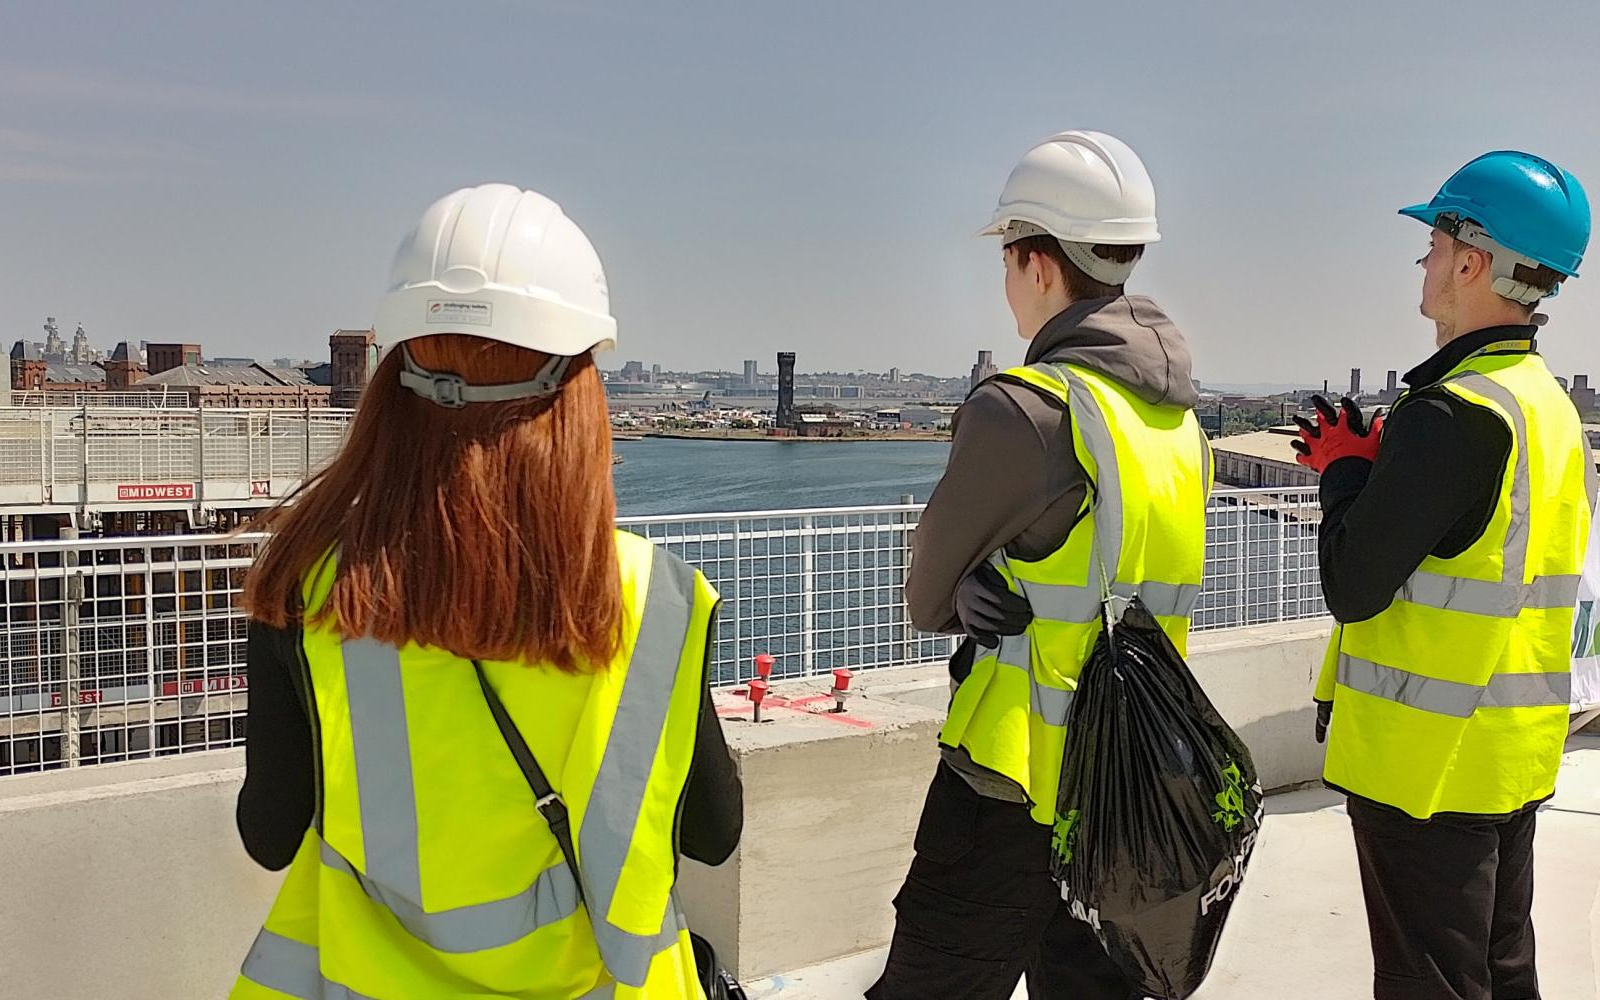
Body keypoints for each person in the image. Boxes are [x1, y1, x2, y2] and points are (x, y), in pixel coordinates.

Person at [228, 184, 742, 1000]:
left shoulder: (309, 587)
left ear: (395, 376)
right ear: (575, 391)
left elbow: (269, 831)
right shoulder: (654, 599)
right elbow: (713, 834)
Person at [869, 131, 1210, 1000]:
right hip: (1127, 780)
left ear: (1038, 264)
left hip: (1012, 778)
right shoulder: (1176, 424)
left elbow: (924, 596)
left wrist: (977, 585)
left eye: (1009, 261)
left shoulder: (1024, 409)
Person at [1300, 151, 1595, 1000]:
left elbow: (1353, 585)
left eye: (1433, 245)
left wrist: (1345, 474)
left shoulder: (1451, 414)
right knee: (1501, 972)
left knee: (1427, 980)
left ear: (1471, 260)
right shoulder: (1545, 405)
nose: (1424, 265)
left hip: (1423, 764)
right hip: (1509, 753)